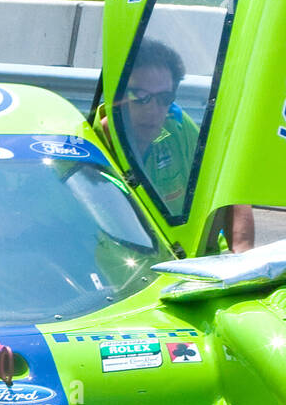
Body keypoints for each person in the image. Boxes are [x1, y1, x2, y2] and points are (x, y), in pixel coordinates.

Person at [97, 38, 254, 253]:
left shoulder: (176, 123)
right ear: (117, 97)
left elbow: (228, 183)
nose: (153, 110)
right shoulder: (94, 146)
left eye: (164, 97)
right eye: (140, 97)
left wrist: (242, 254)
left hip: (190, 261)